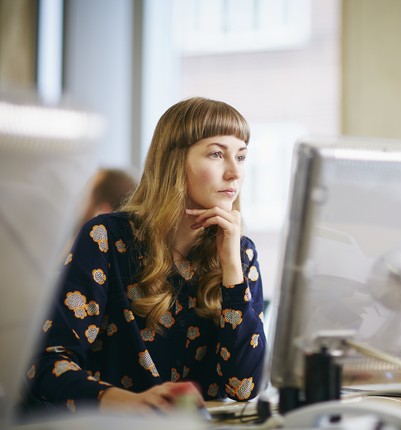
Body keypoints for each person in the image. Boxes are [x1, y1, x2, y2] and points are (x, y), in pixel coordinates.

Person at [20, 97, 266, 417]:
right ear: (174, 162)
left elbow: (242, 387)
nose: (234, 172)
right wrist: (131, 403)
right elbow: (48, 365)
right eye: (217, 154)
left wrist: (232, 266)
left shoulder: (239, 252)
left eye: (242, 156)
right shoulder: (106, 238)